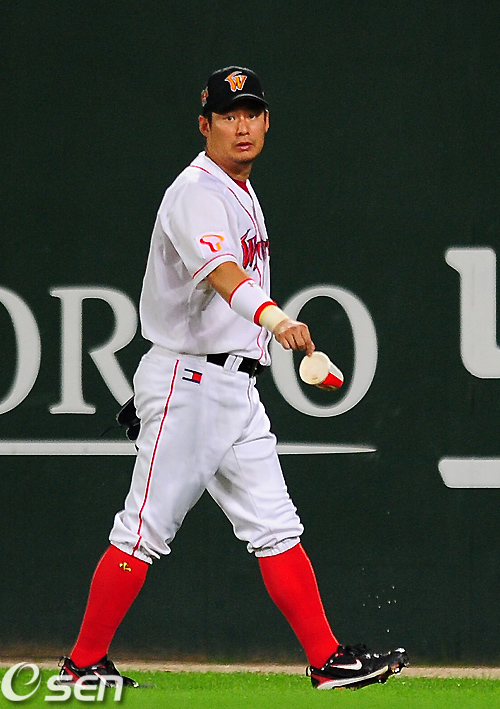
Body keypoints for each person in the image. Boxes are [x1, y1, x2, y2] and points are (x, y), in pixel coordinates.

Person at [58, 66, 408, 691]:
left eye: (250, 113)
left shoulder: (239, 188)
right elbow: (222, 275)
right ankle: (82, 665)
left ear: (267, 121)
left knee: (276, 525)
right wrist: (277, 319)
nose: (241, 126)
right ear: (205, 125)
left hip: (232, 388)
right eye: (227, 115)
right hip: (190, 383)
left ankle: (326, 659)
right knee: (142, 531)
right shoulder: (196, 192)